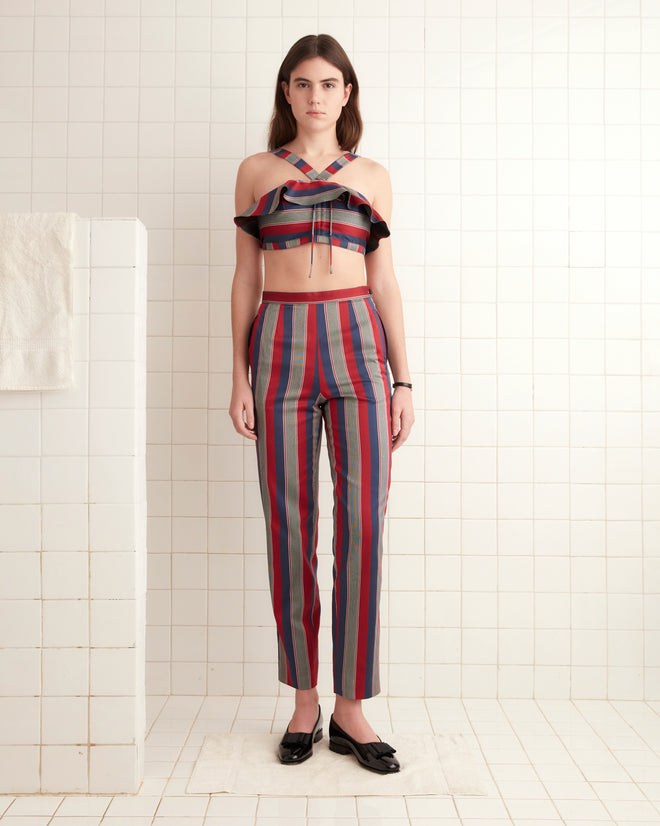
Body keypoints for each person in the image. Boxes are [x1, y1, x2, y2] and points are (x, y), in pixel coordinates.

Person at [229, 34, 414, 774]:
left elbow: (386, 281)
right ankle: (304, 701)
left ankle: (352, 709)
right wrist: (238, 375)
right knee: (290, 524)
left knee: (363, 523)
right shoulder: (254, 172)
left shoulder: (372, 175)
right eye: (301, 84)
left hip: (358, 346)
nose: (314, 97)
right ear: (286, 94)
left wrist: (404, 380)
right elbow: (246, 279)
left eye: (328, 84)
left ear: (347, 94)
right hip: (279, 345)